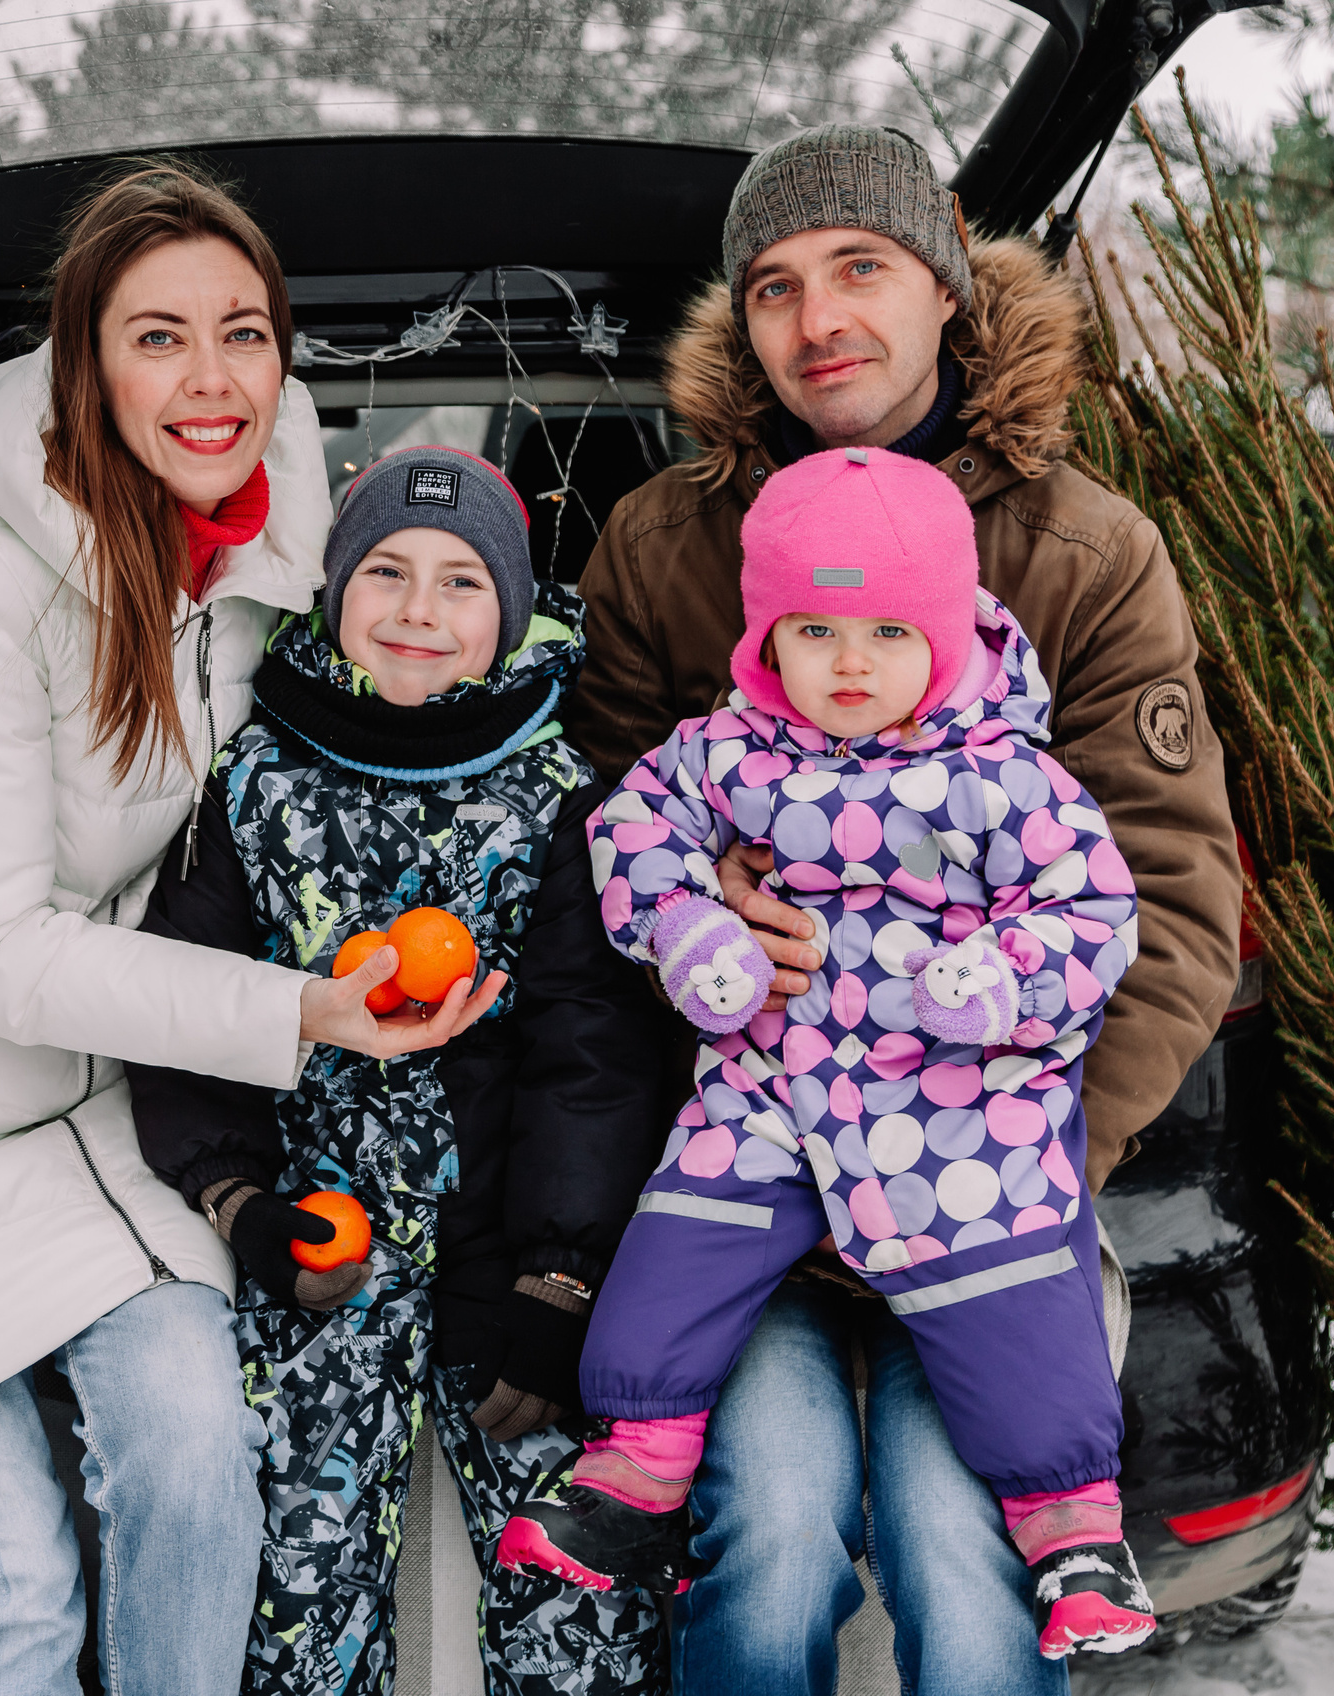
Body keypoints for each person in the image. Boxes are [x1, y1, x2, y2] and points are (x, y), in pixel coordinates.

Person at [0, 166, 502, 1696]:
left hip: (95, 1113)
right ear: (82, 361)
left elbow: (368, 720)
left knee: (203, 1472)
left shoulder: (272, 544)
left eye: (245, 334)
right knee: (6, 1582)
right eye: (157, 338)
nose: (212, 382)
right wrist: (301, 1012)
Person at [562, 126, 1243, 1693]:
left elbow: (1173, 906)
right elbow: (595, 838)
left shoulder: (1084, 553)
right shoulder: (670, 548)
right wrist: (698, 909)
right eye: (779, 288)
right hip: (755, 1185)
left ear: (944, 282)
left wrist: (1012, 1163)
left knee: (966, 1559)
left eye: (860, 270)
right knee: (775, 1539)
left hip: (997, 1192)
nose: (820, 323)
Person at [500, 447, 1155, 1659]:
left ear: (947, 635)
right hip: (773, 1082)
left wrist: (1004, 979)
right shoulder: (727, 748)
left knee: (1014, 1288)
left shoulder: (1005, 778)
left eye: (885, 632)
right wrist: (690, 923)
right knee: (678, 1244)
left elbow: (1094, 912)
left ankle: (1072, 1528)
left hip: (951, 1100)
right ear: (766, 637)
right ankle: (635, 1463)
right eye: (813, 629)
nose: (848, 664)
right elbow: (629, 825)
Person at [128, 446, 670, 1696]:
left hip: (506, 1253)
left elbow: (589, 1058)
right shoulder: (253, 780)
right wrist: (239, 1204)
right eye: (384, 570)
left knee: (575, 1597)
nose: (419, 608)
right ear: (329, 593)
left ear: (515, 615)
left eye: (461, 581)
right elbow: (189, 1002)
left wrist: (560, 1276)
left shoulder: (559, 797)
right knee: (297, 1604)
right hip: (326, 1248)